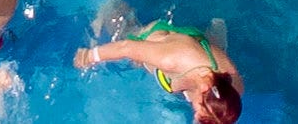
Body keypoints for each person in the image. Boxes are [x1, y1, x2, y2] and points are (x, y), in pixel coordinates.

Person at [76, 14, 242, 121]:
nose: (197, 117)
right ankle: (112, 3)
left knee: (215, 47)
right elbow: (126, 47)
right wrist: (90, 56)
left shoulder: (233, 86)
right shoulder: (171, 61)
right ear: (206, 88)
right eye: (202, 116)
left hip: (196, 44)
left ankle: (215, 29)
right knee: (118, 28)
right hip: (154, 37)